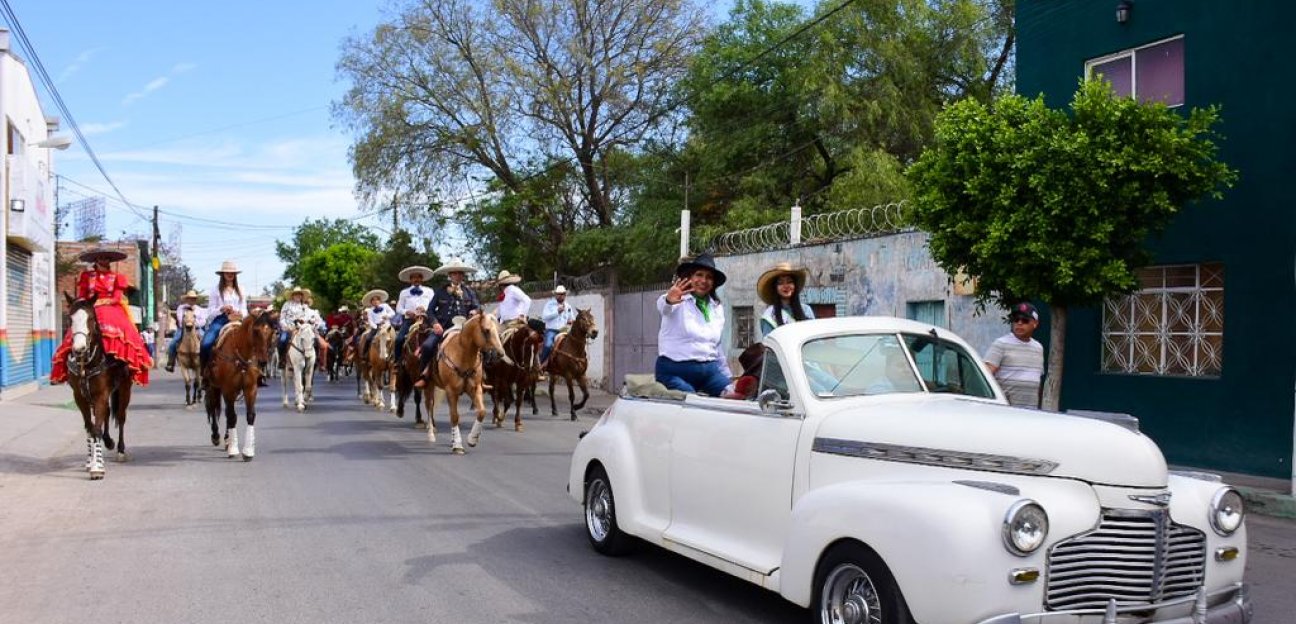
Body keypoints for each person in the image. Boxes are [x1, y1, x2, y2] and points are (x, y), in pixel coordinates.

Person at [50, 248, 153, 386]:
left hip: (111, 307)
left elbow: (117, 297)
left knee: (126, 330)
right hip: (90, 307)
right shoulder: (87, 276)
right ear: (96, 261)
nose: (104, 261)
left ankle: (124, 363)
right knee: (75, 330)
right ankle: (68, 366)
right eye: (101, 258)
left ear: (109, 261)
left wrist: (103, 302)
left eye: (106, 258)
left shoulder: (117, 277)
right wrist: (83, 304)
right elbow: (82, 295)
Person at [655, 253, 732, 397]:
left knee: (733, 396)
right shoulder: (678, 300)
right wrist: (669, 299)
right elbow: (663, 307)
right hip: (675, 371)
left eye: (709, 277)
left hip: (709, 373)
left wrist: (728, 377)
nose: (704, 280)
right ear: (689, 277)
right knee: (693, 403)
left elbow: (716, 345)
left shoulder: (716, 307)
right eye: (699, 275)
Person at [414, 258, 481, 388]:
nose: (458, 276)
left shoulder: (469, 292)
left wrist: (474, 311)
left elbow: (477, 306)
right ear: (449, 275)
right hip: (443, 327)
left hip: (464, 329)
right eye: (454, 273)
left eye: (460, 273)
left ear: (463, 275)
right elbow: (430, 310)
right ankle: (424, 375)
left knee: (484, 345)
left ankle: (481, 377)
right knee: (427, 346)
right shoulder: (440, 291)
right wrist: (434, 323)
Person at [984, 302, 1045, 408]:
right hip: (1006, 411)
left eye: (1025, 320)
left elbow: (1037, 380)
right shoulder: (1001, 344)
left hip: (1031, 412)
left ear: (1035, 323)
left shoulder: (1038, 348)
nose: (1019, 323)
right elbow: (986, 375)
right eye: (1016, 319)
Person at [200, 260, 249, 371]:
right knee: (206, 343)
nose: (230, 274)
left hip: (238, 319)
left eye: (232, 273)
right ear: (222, 274)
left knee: (254, 340)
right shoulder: (215, 289)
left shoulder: (241, 289)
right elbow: (210, 312)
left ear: (235, 275)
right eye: (227, 272)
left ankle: (255, 372)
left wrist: (240, 313)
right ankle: (205, 371)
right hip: (221, 319)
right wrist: (221, 309)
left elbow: (244, 308)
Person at [757, 262, 815, 336]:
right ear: (775, 288)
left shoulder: (806, 310)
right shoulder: (770, 316)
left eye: (789, 282)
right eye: (780, 283)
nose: (786, 286)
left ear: (795, 285)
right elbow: (769, 345)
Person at [393, 265, 435, 361]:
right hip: (409, 321)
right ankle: (397, 362)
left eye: (419, 277)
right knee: (399, 339)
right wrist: (407, 312)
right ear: (410, 279)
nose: (416, 279)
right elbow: (398, 308)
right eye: (414, 277)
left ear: (422, 279)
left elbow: (434, 306)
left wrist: (425, 309)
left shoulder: (429, 291)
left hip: (426, 320)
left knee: (436, 337)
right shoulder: (404, 292)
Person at [164, 290, 206, 372]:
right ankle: (170, 363)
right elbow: (180, 319)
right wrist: (187, 323)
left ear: (195, 300)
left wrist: (194, 323)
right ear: (187, 299)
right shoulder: (181, 308)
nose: (191, 300)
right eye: (190, 298)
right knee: (173, 343)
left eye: (193, 299)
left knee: (206, 342)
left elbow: (203, 321)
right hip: (183, 329)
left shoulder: (199, 309)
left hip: (197, 328)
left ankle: (206, 363)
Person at [540, 285, 577, 363]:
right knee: (548, 346)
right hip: (551, 330)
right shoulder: (549, 304)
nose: (561, 296)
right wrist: (557, 312)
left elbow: (572, 319)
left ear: (565, 295)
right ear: (556, 295)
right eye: (559, 294)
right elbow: (544, 317)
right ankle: (541, 364)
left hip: (563, 330)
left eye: (562, 294)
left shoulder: (568, 306)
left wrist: (572, 321)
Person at [358, 289, 395, 360]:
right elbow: (371, 321)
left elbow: (393, 313)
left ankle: (396, 356)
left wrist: (387, 316)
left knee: (394, 338)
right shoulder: (370, 311)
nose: (375, 301)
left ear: (380, 300)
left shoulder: (385, 306)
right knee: (368, 338)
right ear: (371, 302)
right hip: (376, 327)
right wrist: (376, 326)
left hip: (387, 326)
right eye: (373, 300)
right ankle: (365, 354)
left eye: (377, 299)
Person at [278, 286, 310, 362]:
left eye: (300, 294)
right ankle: (282, 359)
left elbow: (307, 317)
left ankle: (312, 359)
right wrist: (286, 327)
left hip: (301, 328)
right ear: (293, 295)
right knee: (282, 340)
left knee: (312, 340)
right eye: (296, 294)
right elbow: (282, 318)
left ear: (302, 296)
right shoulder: (287, 304)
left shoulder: (304, 306)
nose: (298, 295)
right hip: (288, 328)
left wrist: (302, 320)